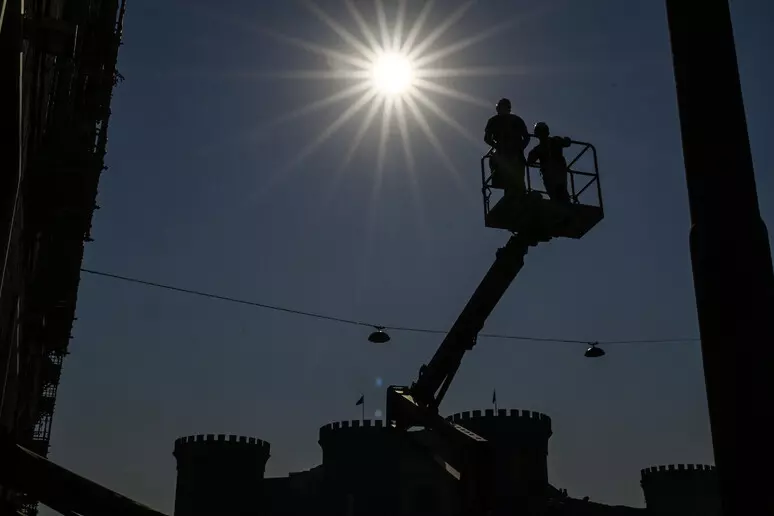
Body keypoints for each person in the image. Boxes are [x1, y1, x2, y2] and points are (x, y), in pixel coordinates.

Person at [484, 98, 530, 195]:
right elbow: (487, 138)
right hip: (502, 153)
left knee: (518, 181)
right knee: (507, 180)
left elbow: (526, 137)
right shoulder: (493, 121)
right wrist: (496, 145)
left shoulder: (516, 120)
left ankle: (520, 196)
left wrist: (520, 147)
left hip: (515, 154)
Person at [527, 122, 572, 203]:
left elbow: (529, 161)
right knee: (559, 191)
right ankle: (563, 203)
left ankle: (562, 204)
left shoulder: (541, 147)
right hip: (556, 171)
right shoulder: (554, 141)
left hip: (554, 172)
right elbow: (567, 142)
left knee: (558, 191)